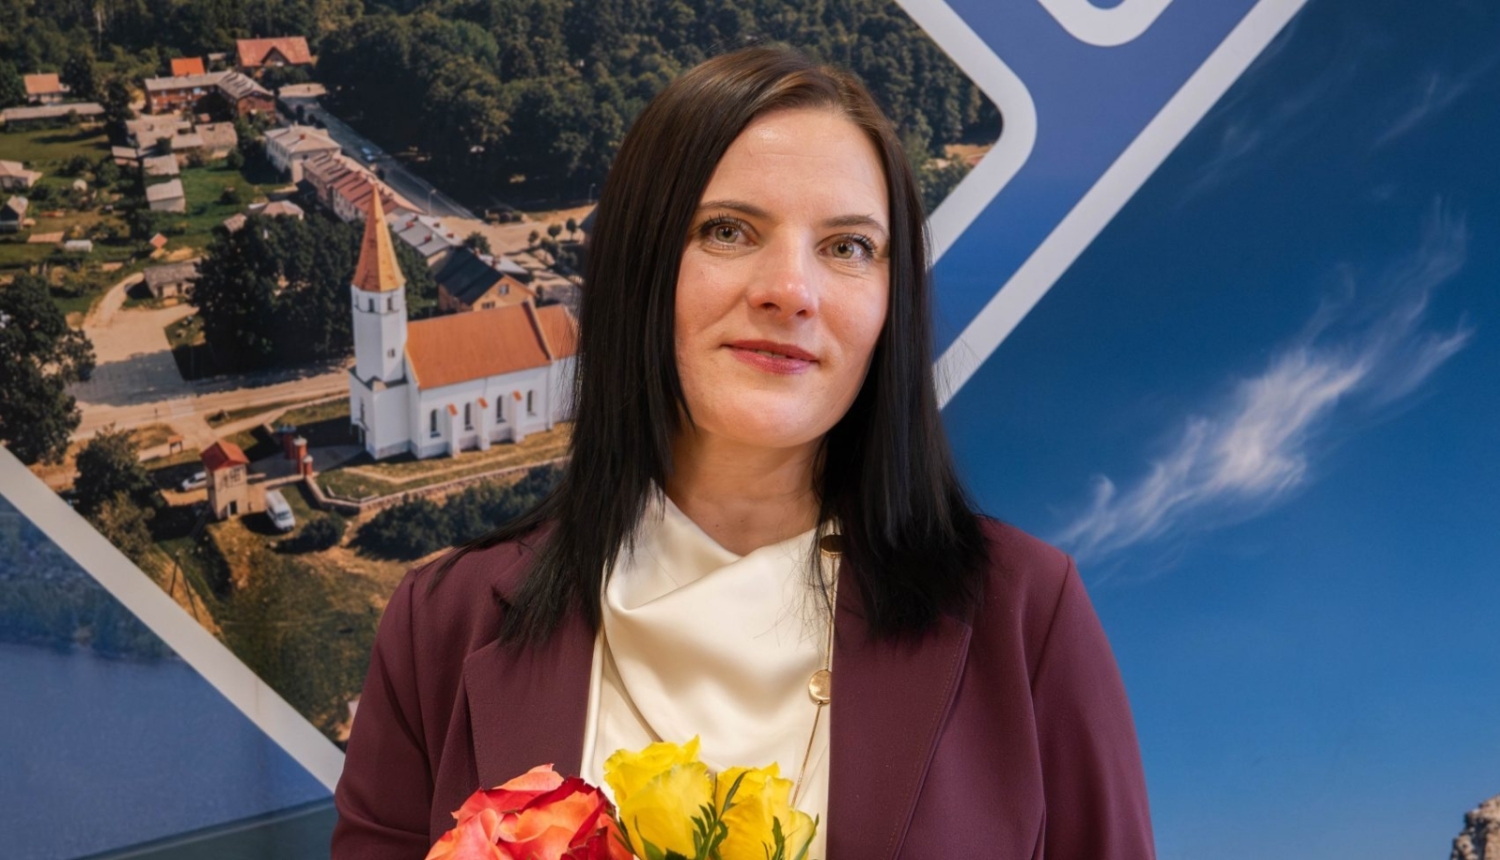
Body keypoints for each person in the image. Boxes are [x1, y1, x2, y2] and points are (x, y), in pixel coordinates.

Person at [333, 45, 1154, 860]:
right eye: (728, 230)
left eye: (848, 247)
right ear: (640, 264)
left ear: (889, 304)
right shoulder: (439, 625)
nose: (790, 290)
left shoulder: (1027, 616)